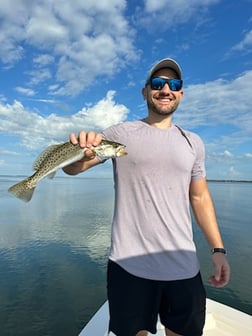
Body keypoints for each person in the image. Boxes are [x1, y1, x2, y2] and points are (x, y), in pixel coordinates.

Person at [63, 58, 230, 336]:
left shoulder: (193, 142)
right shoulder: (120, 133)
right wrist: (79, 152)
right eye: (158, 83)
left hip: (183, 266)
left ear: (181, 93)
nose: (166, 89)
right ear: (145, 91)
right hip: (128, 265)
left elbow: (200, 198)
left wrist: (218, 250)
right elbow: (74, 168)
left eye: (174, 84)